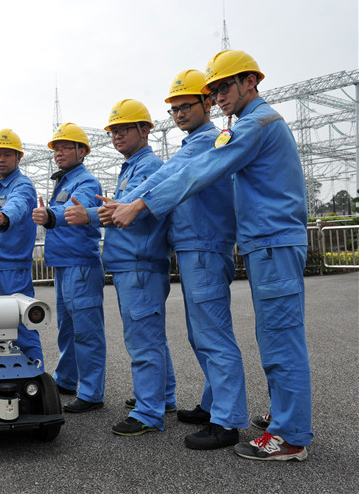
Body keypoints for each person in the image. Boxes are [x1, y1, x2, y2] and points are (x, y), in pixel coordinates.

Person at [108, 50, 312, 461]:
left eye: (224, 87)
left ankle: (289, 436)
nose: (219, 96)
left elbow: (199, 171)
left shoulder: (255, 124)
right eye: (214, 89)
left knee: (279, 340)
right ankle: (280, 415)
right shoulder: (252, 123)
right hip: (264, 242)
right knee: (270, 336)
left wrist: (140, 204)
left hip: (271, 242)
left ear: (250, 82)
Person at [105, 72, 248, 449]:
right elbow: (164, 180)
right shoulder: (194, 144)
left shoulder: (207, 143)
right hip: (193, 247)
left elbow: (169, 179)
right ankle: (214, 405)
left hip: (204, 245)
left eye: (186, 106)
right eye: (175, 109)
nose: (180, 113)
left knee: (213, 335)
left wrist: (130, 205)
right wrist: (123, 205)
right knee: (202, 334)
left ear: (207, 104)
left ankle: (227, 421)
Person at [75, 100, 176, 436]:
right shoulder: (133, 166)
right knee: (151, 336)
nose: (117, 135)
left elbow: (122, 210)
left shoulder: (148, 167)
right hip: (133, 263)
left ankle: (148, 412)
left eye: (123, 129)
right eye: (113, 131)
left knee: (143, 340)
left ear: (144, 130)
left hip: (139, 264)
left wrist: (87, 215)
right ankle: (163, 397)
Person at [31, 123, 107, 414]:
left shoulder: (85, 182)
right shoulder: (64, 182)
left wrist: (51, 215)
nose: (58, 153)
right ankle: (66, 379)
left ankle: (91, 392)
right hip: (64, 263)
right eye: (56, 149)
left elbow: (76, 209)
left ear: (82, 151)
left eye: (65, 147)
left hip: (81, 264)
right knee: (67, 328)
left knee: (86, 331)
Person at [0, 129, 43, 364]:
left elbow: (18, 205)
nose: (1, 159)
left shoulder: (22, 185)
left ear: (19, 157)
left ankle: (36, 375)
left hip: (11, 270)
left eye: (7, 154)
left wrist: (5, 217)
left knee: (22, 327)